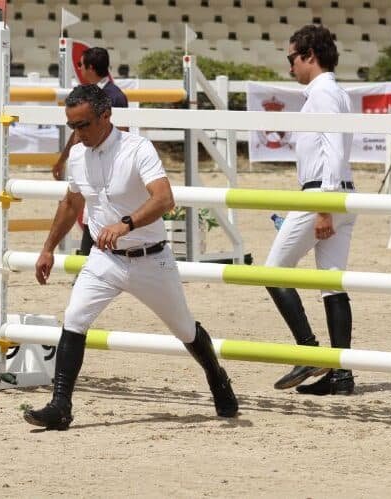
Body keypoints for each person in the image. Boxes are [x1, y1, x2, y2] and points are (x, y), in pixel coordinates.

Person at [23, 84, 238, 430]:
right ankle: (60, 405)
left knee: (184, 329)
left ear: (106, 116)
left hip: (150, 259)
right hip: (105, 260)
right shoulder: (78, 154)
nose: (78, 134)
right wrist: (48, 247)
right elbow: (72, 203)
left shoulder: (138, 149)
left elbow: (164, 199)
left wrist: (126, 224)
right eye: (72, 126)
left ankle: (218, 378)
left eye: (84, 125)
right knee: (74, 318)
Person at [263, 25, 357, 395]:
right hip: (338, 194)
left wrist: (323, 207)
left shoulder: (323, 94)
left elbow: (333, 147)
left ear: (309, 56)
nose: (290, 67)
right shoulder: (336, 92)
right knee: (331, 285)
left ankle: (308, 351)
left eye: (292, 59)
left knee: (272, 272)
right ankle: (342, 374)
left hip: (324, 193)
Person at [52, 47, 129, 257]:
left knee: (96, 215)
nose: (80, 69)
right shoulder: (91, 95)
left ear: (91, 68)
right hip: (90, 164)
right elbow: (77, 131)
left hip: (109, 169)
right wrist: (63, 159)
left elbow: (122, 133)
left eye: (81, 65)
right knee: (90, 214)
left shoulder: (115, 96)